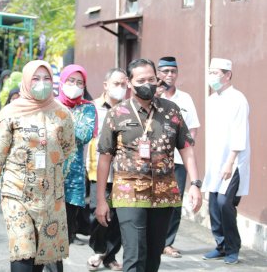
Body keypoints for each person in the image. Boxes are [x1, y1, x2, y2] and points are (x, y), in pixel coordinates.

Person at [95, 58, 202, 272]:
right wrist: (101, 200)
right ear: (130, 83)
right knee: (134, 256)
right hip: (129, 194)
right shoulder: (117, 114)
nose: (148, 83)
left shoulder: (171, 111)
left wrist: (195, 184)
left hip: (163, 194)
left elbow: (187, 148)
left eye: (152, 79)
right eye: (141, 79)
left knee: (153, 257)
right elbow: (105, 157)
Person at [0, 60, 76, 272]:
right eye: (35, 78)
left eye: (46, 79)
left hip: (52, 197)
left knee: (43, 257)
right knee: (23, 252)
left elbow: (69, 149)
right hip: (17, 194)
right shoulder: (11, 112)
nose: (42, 83)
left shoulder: (62, 113)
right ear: (26, 81)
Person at [201, 58, 250, 265]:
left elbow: (239, 134)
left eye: (216, 73)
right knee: (213, 204)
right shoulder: (212, 99)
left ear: (228, 75)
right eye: (210, 72)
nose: (211, 76)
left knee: (224, 203)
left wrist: (230, 162)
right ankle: (220, 245)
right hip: (215, 162)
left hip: (233, 161)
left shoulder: (238, 99)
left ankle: (232, 248)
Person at [154, 57, 201, 259]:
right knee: (154, 200)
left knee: (174, 202)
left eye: (173, 71)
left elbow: (193, 128)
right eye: (165, 71)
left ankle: (167, 243)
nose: (169, 75)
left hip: (178, 163)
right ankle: (152, 240)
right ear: (158, 73)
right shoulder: (151, 95)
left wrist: (185, 148)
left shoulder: (185, 99)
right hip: (154, 161)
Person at [86, 68, 127, 271]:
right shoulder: (92, 108)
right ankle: (98, 249)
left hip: (123, 173)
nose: (120, 88)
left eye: (123, 84)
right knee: (97, 213)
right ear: (105, 85)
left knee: (118, 217)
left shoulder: (130, 109)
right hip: (97, 171)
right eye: (116, 84)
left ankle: (109, 256)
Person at [57, 65, 97, 245]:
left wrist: (61, 121)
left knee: (66, 231)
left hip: (73, 178)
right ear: (62, 81)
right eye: (71, 81)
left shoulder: (88, 108)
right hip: (49, 175)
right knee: (49, 230)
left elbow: (84, 135)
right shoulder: (49, 104)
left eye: (80, 82)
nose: (75, 85)